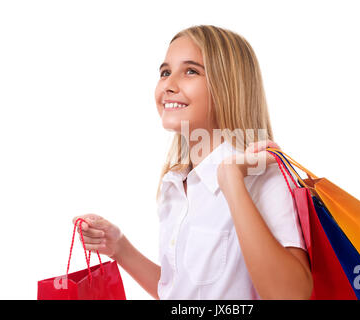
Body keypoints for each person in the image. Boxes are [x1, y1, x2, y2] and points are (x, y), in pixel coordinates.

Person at [73, 25, 312, 300]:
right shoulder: (173, 184)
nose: (169, 84)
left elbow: (291, 296)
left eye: (191, 71)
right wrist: (120, 248)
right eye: (165, 72)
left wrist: (231, 177)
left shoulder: (262, 175)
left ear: (228, 85)